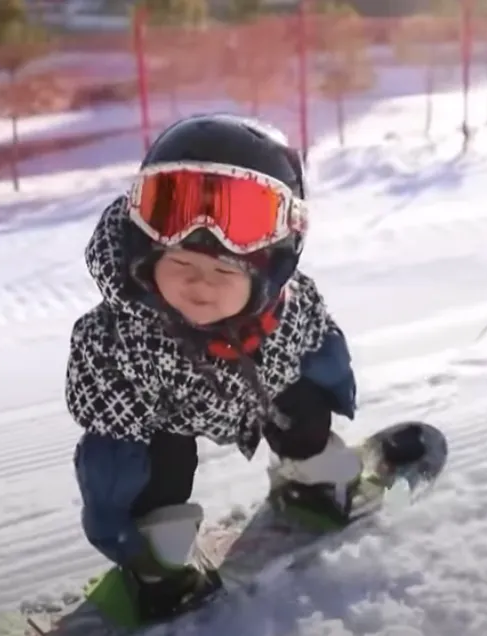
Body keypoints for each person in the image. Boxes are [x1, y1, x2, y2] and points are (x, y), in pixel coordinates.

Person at [65, 114, 361, 621]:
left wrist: (335, 385)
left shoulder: (290, 310)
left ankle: (310, 476)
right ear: (143, 255)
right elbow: (110, 445)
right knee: (157, 474)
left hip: (264, 396)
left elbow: (321, 352)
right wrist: (113, 511)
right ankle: (159, 565)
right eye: (180, 265)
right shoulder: (120, 338)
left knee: (303, 409)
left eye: (225, 271)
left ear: (273, 270)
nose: (200, 284)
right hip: (167, 422)